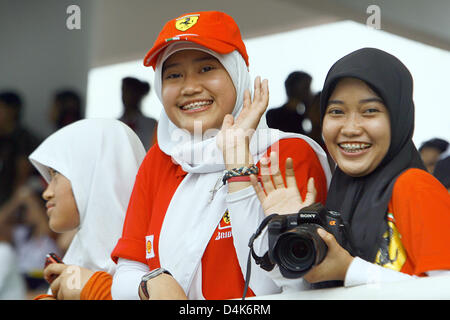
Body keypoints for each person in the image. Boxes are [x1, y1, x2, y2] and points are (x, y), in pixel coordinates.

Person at [107, 10, 331, 300]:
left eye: (206, 69)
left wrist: (238, 164)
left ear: (237, 74)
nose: (189, 87)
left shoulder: (286, 154)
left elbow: (286, 285)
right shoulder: (161, 160)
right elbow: (127, 271)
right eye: (173, 74)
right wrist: (147, 286)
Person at [249, 48, 450, 289]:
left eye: (370, 111)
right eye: (336, 112)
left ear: (399, 117)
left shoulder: (414, 186)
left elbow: (442, 290)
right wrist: (285, 231)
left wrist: (349, 269)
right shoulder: (338, 195)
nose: (351, 128)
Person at [27, 119, 149, 299]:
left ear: (92, 176)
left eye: (55, 174)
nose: (47, 192)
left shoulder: (157, 260)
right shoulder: (76, 259)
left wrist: (95, 290)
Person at [0, 91, 40, 206]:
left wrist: (8, 209)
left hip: (16, 201)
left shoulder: (24, 139)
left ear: (12, 111)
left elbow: (21, 179)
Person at [119, 77, 158, 150]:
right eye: (124, 91)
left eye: (130, 91)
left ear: (138, 94)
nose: (125, 96)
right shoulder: (116, 124)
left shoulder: (151, 124)